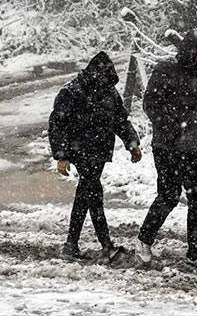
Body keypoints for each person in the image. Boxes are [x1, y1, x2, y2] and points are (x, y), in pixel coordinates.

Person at [135, 28, 197, 266]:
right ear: (191, 49)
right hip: (168, 146)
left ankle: (195, 252)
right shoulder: (165, 70)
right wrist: (173, 128)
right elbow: (151, 104)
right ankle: (144, 240)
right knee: (169, 196)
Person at [48, 51, 141, 263]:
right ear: (93, 73)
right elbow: (57, 125)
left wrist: (132, 143)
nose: (104, 81)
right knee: (93, 193)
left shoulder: (110, 93)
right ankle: (105, 245)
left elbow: (120, 121)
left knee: (86, 195)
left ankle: (72, 244)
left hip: (99, 153)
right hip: (80, 151)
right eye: (101, 77)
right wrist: (62, 156)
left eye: (107, 78)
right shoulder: (72, 92)